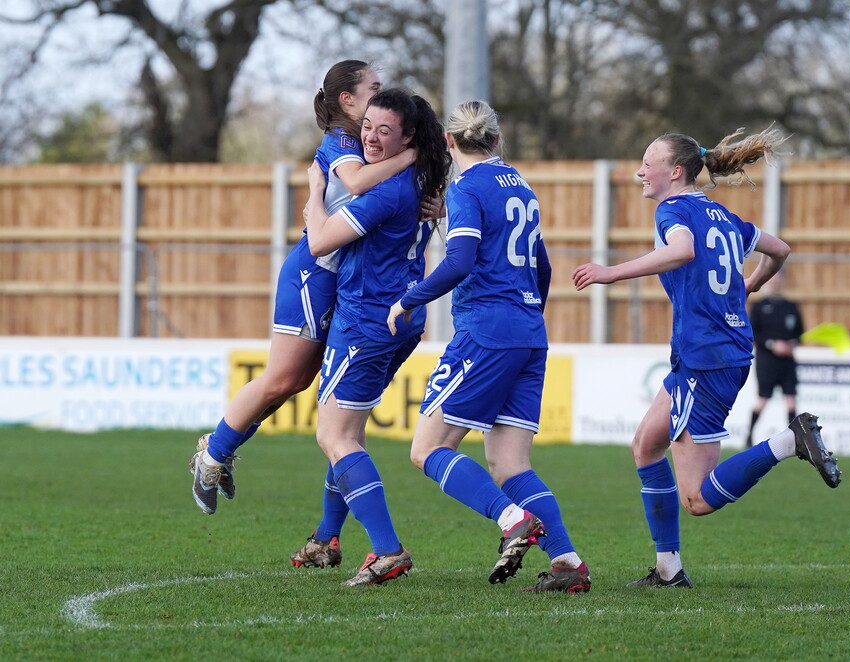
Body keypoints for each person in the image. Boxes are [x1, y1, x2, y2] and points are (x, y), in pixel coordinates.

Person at [572, 126, 841, 589]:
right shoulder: (721, 214)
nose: (639, 170)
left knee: (697, 498)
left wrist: (610, 273)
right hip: (711, 352)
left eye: (647, 162)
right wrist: (750, 284)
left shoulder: (671, 208)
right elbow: (779, 249)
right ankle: (668, 571)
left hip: (707, 357)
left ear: (674, 172)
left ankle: (788, 442)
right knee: (645, 446)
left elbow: (682, 250)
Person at [189, 60, 417, 518]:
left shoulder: (371, 143)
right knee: (284, 377)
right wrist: (413, 155)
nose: (382, 92)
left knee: (315, 393)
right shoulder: (342, 142)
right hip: (315, 270)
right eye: (373, 87)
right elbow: (353, 183)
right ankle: (211, 455)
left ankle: (326, 536)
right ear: (348, 101)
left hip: (347, 278)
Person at [387, 100, 590, 593]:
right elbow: (541, 266)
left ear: (450, 142)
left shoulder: (466, 188)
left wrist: (407, 300)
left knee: (428, 448)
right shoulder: (521, 185)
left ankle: (511, 520)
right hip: (528, 333)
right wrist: (526, 319)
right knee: (509, 462)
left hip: (486, 332)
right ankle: (567, 562)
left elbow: (459, 261)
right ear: (497, 141)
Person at [302, 87, 451, 586]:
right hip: (398, 321)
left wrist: (313, 197)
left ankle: (388, 550)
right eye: (367, 126)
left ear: (408, 136)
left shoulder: (386, 190)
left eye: (384, 131)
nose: (369, 136)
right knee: (348, 431)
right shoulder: (419, 178)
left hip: (367, 321)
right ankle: (325, 539)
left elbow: (320, 239)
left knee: (334, 435)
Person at [746, 271, 805, 447]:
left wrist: (791, 345)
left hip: (787, 361)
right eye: (772, 278)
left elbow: (800, 334)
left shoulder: (791, 306)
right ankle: (749, 435)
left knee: (791, 398)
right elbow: (753, 333)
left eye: (779, 278)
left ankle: (795, 440)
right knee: (763, 398)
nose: (775, 282)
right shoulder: (759, 306)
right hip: (767, 361)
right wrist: (773, 344)